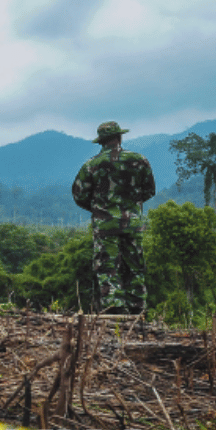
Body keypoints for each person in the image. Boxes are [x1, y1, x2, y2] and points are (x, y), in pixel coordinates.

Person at [72, 121, 157, 315]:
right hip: (133, 224)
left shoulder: (91, 165)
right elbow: (149, 190)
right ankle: (137, 308)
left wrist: (99, 209)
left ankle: (114, 308)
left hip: (105, 225)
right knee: (135, 266)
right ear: (120, 137)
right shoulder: (139, 160)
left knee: (107, 266)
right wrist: (132, 206)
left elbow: (79, 195)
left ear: (101, 142)